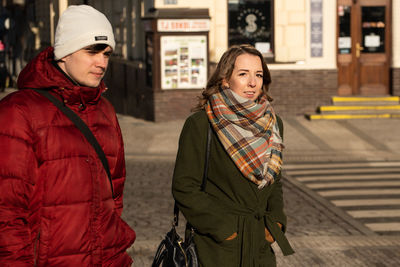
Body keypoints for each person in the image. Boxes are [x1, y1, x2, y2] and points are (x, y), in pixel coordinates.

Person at [0, 5, 135, 266]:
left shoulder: (105, 111)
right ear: (64, 53)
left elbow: (114, 201)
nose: (102, 62)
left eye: (106, 53)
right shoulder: (18, 112)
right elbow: (7, 214)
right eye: (92, 51)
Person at [172, 44, 294, 266]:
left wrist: (275, 223)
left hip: (260, 249)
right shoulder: (202, 124)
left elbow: (274, 181)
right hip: (218, 250)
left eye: (258, 74)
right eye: (243, 74)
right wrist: (225, 230)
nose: (252, 82)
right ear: (225, 79)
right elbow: (185, 187)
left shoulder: (274, 123)